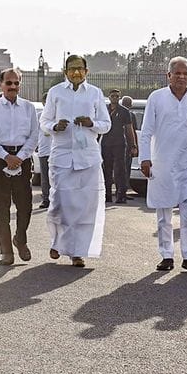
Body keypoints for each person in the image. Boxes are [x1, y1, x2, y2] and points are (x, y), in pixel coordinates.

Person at [140, 57, 187, 273]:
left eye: (185, 74)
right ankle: (166, 255)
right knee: (164, 212)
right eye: (177, 73)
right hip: (163, 163)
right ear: (168, 76)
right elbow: (146, 131)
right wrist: (145, 158)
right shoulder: (157, 98)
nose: (181, 77)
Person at [39, 54, 111, 267]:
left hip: (87, 157)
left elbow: (106, 124)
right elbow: (44, 121)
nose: (76, 73)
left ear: (86, 71)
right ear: (65, 72)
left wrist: (92, 123)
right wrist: (54, 127)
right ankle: (57, 241)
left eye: (80, 69)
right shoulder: (56, 92)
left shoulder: (95, 94)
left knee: (84, 207)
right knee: (59, 203)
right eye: (72, 69)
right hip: (62, 155)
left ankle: (77, 252)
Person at [0, 68, 38, 265]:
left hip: (22, 160)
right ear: (1, 85)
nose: (13, 87)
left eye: (16, 83)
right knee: (2, 208)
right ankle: (6, 251)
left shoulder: (28, 108)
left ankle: (20, 239)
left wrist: (21, 157)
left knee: (25, 206)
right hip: (0, 160)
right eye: (9, 83)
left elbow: (34, 135)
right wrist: (6, 156)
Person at [101, 89, 137, 204]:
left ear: (119, 98)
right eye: (113, 96)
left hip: (120, 144)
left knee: (120, 171)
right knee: (106, 169)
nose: (115, 98)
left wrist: (133, 145)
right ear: (109, 97)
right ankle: (107, 195)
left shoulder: (124, 112)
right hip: (106, 143)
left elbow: (129, 129)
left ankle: (121, 195)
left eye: (117, 96)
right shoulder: (104, 110)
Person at [37, 93, 52, 209]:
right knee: (45, 177)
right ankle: (46, 199)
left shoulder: (58, 116)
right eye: (46, 101)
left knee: (56, 177)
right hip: (43, 150)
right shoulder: (39, 116)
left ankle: (56, 199)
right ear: (43, 103)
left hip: (56, 151)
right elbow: (34, 133)